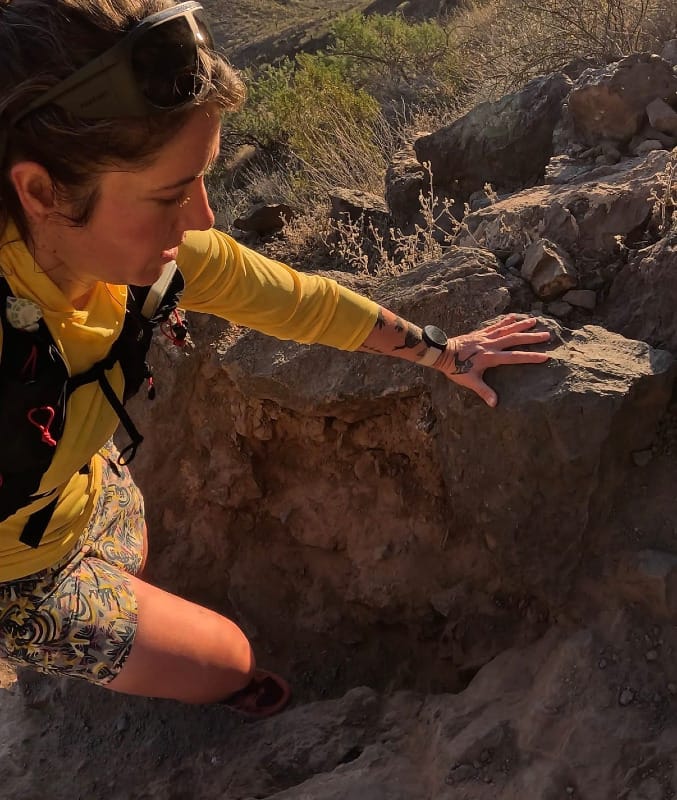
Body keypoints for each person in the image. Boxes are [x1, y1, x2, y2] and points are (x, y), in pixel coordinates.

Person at [0, 0, 550, 716]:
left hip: (80, 479)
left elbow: (302, 302)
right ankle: (236, 692)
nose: (203, 218)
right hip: (23, 577)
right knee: (227, 660)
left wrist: (445, 353)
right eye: (170, 194)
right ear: (40, 191)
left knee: (135, 557)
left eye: (203, 177)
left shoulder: (152, 256)